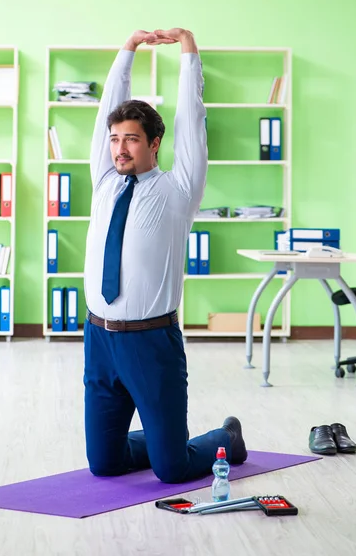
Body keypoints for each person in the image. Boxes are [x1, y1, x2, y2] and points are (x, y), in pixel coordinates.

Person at [83, 28, 247, 483]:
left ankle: (225, 439)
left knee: (171, 469)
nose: (119, 148)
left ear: (154, 143)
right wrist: (128, 49)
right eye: (116, 140)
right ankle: (158, 443)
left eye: (131, 139)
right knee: (104, 464)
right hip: (99, 340)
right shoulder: (104, 181)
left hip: (151, 344)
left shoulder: (178, 190)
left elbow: (190, 124)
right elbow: (105, 115)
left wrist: (189, 49)